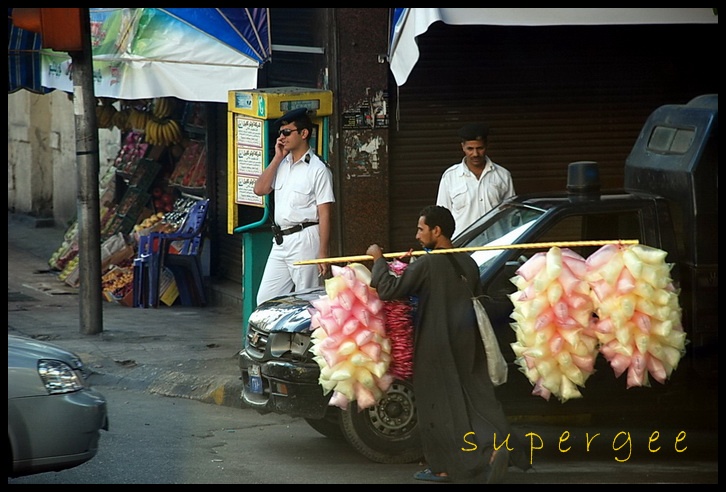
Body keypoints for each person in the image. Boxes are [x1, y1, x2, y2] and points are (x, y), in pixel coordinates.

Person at [366, 205, 530, 484]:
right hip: (468, 342)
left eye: (421, 229)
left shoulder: (429, 264)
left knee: (437, 406)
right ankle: (495, 450)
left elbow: (391, 289)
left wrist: (378, 260)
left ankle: (442, 467)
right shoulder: (468, 263)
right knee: (477, 399)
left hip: (436, 345)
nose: (417, 235)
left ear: (436, 231)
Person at [253, 108, 335, 305]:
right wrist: (277, 158)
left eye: (287, 132)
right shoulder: (282, 164)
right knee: (265, 300)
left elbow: (325, 213)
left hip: (305, 238)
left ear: (303, 133)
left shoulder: (318, 169)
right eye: (281, 133)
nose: (282, 137)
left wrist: (323, 252)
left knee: (307, 300)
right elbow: (260, 189)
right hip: (281, 240)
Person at [436, 123, 515, 238]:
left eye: (480, 148)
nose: (475, 154)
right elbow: (441, 217)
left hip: (496, 244)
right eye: (470, 149)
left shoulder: (503, 175)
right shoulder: (450, 176)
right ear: (463, 147)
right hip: (462, 245)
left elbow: (512, 215)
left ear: (486, 146)